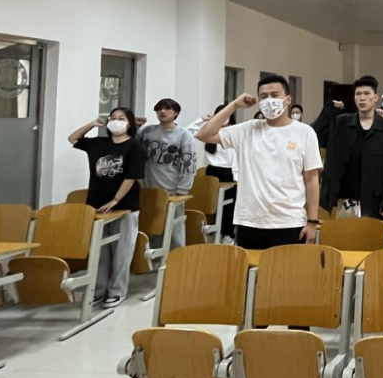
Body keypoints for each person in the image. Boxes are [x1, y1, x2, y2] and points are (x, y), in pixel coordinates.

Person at [195, 75, 322, 249]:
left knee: (286, 267)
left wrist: (312, 221)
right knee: (250, 267)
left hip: (290, 222)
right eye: (263, 96)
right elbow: (203, 134)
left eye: (275, 95)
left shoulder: (305, 132)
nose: (269, 100)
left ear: (288, 99)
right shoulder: (247, 129)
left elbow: (312, 179)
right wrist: (234, 105)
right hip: (249, 221)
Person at [67, 107, 144, 308]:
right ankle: (98, 290)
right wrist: (93, 124)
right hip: (97, 204)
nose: (116, 121)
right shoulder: (99, 143)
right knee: (100, 251)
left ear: (129, 123)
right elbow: (73, 138)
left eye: (121, 118)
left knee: (122, 251)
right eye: (113, 118)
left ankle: (117, 291)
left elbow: (131, 176)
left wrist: (116, 200)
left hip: (125, 206)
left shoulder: (134, 145)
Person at [320, 75, 383, 219]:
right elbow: (318, 136)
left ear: (375, 98)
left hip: (375, 200)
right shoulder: (342, 123)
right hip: (346, 199)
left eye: (367, 93)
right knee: (345, 233)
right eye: (358, 94)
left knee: (371, 233)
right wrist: (330, 109)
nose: (362, 98)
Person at [138, 98, 196, 250]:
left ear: (176, 112)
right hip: (149, 189)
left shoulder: (184, 135)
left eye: (167, 108)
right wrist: (134, 125)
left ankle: (177, 255)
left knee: (175, 227)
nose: (162, 111)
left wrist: (182, 190)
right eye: (159, 109)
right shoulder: (147, 131)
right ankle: (151, 257)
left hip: (172, 190)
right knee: (151, 225)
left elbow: (188, 164)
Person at [186, 104, 238, 241]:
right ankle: (214, 233)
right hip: (211, 171)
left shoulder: (234, 131)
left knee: (228, 205)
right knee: (212, 204)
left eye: (226, 115)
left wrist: (237, 177)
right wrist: (203, 120)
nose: (223, 118)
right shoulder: (209, 132)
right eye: (220, 115)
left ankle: (227, 234)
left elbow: (236, 157)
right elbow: (188, 132)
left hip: (228, 172)